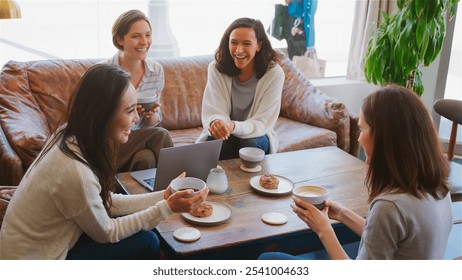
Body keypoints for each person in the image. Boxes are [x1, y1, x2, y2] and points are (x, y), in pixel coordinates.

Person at [0, 64, 208, 260]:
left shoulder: (69, 134)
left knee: (147, 225)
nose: (137, 118)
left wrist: (163, 196)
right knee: (148, 240)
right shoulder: (73, 170)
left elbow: (104, 201)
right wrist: (166, 208)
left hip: (32, 249)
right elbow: (107, 232)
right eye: (129, 110)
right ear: (102, 114)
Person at [259, 85, 453, 260]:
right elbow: (388, 240)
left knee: (268, 261)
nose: (359, 139)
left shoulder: (389, 206)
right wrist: (343, 214)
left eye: (362, 129)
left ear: (383, 137)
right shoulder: (439, 188)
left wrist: (324, 229)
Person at [197, 17, 285, 160]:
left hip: (257, 135)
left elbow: (262, 122)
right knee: (216, 140)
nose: (238, 50)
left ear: (259, 45)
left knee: (249, 142)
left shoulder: (274, 74)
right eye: (234, 43)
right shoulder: (216, 68)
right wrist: (218, 123)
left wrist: (233, 126)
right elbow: (213, 110)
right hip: (227, 132)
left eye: (246, 43)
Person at [102, 9, 173, 172]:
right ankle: (180, 186)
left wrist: (149, 115)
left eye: (147, 35)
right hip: (110, 142)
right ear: (120, 39)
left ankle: (150, 197)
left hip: (137, 141)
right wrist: (130, 114)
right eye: (136, 36)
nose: (144, 42)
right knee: (161, 135)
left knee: (145, 159)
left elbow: (152, 123)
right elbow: (96, 121)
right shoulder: (104, 72)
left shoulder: (156, 71)